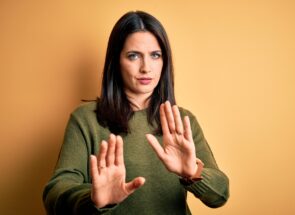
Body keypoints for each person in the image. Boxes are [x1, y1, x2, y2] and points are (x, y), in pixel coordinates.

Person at [43, 11, 229, 214]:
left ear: (164, 61)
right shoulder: (86, 120)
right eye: (133, 56)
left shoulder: (182, 122)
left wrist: (193, 173)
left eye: (155, 55)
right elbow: (54, 195)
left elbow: (220, 195)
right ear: (116, 61)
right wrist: (93, 199)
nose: (146, 68)